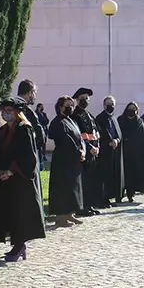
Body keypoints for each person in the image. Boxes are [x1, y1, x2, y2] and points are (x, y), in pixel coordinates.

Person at [0, 98, 46, 262]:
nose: (5, 114)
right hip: (7, 178)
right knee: (11, 211)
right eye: (3, 111)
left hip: (21, 177)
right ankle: (16, 245)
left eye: (9, 110)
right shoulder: (3, 130)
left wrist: (11, 170)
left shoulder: (24, 129)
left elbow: (28, 155)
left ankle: (20, 245)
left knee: (21, 212)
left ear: (17, 112)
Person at [47, 95, 85, 227]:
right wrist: (78, 152)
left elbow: (79, 137)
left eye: (72, 106)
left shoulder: (71, 121)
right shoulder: (57, 122)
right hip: (62, 160)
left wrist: (83, 150)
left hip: (73, 160)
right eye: (67, 106)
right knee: (62, 188)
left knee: (72, 188)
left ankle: (70, 213)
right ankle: (61, 217)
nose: (70, 108)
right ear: (60, 107)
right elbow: (66, 140)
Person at [117, 101, 144, 202]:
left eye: (134, 109)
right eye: (130, 108)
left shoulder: (139, 121)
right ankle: (119, 195)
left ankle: (130, 194)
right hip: (122, 151)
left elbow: (142, 138)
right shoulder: (121, 120)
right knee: (122, 174)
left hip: (134, 153)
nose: (132, 110)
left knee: (132, 175)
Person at [71, 88, 102, 217]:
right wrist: (90, 147)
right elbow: (79, 136)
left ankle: (89, 204)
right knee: (83, 181)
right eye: (82, 98)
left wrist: (97, 147)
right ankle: (82, 207)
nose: (85, 101)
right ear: (77, 100)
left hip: (93, 153)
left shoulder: (89, 115)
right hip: (84, 152)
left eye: (87, 98)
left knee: (91, 180)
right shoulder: (75, 115)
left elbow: (96, 133)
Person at [94, 95, 125, 206]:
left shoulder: (114, 118)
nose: (110, 106)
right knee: (105, 175)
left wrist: (117, 140)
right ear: (104, 105)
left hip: (115, 151)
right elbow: (99, 134)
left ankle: (113, 196)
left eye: (112, 104)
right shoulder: (99, 118)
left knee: (113, 175)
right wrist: (108, 142)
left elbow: (119, 133)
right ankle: (104, 199)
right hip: (105, 151)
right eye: (108, 104)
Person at [18, 80, 46, 176]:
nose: (35, 96)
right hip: (25, 157)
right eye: (34, 93)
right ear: (30, 93)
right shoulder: (20, 109)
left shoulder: (25, 108)